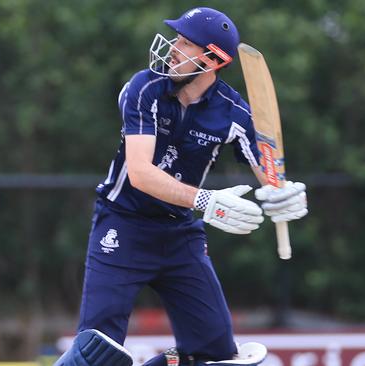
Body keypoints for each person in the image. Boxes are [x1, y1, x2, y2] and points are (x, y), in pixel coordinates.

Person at [55, 7, 308, 366]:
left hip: (180, 237)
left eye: (186, 43)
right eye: (177, 39)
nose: (174, 47)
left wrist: (285, 196)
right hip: (121, 225)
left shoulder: (234, 112)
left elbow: (270, 176)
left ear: (213, 59)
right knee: (97, 353)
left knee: (217, 356)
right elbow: (141, 173)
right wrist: (206, 200)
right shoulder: (143, 88)